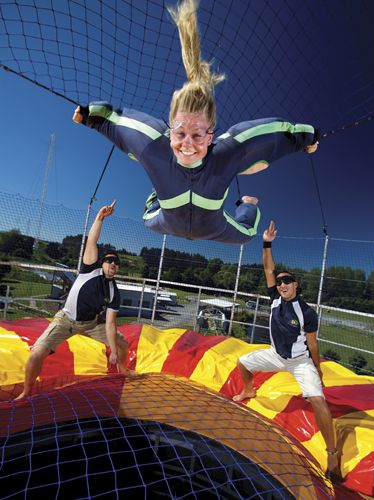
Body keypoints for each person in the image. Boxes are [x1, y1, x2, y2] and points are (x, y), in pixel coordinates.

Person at [73, 0, 319, 245]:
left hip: (214, 227)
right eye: (180, 133)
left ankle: (248, 204)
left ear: (210, 136)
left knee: (246, 235)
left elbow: (273, 136)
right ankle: (156, 197)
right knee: (148, 218)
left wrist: (306, 139)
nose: (187, 144)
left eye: (198, 135)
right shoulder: (152, 144)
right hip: (166, 221)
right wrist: (89, 116)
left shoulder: (229, 152)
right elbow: (117, 122)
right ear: (170, 131)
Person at [233, 220, 342, 481]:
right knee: (241, 362)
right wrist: (267, 242)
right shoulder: (274, 299)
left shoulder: (307, 313)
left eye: (287, 281)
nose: (282, 284)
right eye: (279, 281)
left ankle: (333, 454)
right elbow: (268, 267)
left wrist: (317, 370)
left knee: (317, 399)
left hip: (300, 361)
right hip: (275, 355)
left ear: (297, 285)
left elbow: (313, 344)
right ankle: (249, 389)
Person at [15, 201, 134, 400]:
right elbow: (92, 242)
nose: (113, 263)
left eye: (117, 263)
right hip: (66, 320)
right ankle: (26, 392)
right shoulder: (90, 269)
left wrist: (113, 350)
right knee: (36, 354)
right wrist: (100, 217)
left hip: (91, 324)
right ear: (102, 263)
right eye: (109, 260)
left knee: (122, 343)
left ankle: (123, 369)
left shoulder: (114, 291)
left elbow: (111, 324)